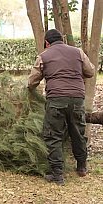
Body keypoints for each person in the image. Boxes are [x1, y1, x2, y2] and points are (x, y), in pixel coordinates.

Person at [28, 29, 95, 185]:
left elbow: (32, 81)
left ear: (46, 43)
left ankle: (58, 175)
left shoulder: (43, 56)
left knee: (53, 135)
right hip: (77, 98)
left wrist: (30, 91)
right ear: (62, 40)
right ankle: (82, 167)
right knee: (78, 132)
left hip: (56, 99)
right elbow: (90, 71)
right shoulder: (78, 52)